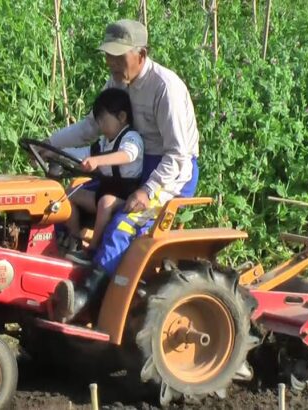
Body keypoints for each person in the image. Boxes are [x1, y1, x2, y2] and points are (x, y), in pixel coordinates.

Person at [49, 19, 201, 322]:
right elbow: (93, 127)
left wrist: (147, 190)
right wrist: (48, 144)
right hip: (129, 166)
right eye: (108, 56)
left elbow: (178, 154)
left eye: (118, 57)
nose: (111, 64)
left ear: (141, 55)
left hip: (169, 173)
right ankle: (60, 267)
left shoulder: (165, 88)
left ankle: (85, 295)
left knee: (123, 225)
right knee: (62, 199)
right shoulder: (118, 83)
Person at [63, 88, 144, 266]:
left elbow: (127, 155)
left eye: (103, 120)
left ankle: (92, 249)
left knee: (105, 202)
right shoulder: (104, 142)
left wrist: (98, 161)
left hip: (125, 197)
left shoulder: (131, 137)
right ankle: (75, 240)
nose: (100, 126)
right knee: (67, 195)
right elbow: (83, 153)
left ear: (122, 117)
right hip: (104, 190)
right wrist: (57, 153)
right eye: (97, 121)